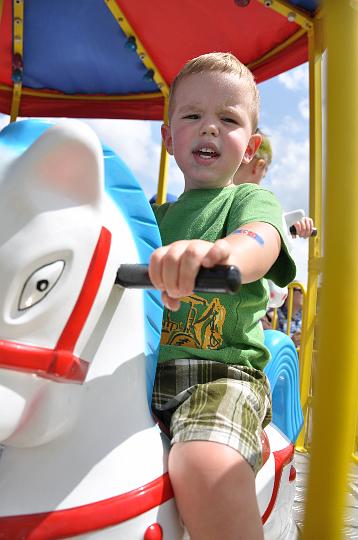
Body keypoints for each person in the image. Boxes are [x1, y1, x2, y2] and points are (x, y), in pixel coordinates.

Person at [149, 52, 296, 540]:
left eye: (227, 119)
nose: (209, 128)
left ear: (250, 146)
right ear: (169, 138)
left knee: (203, 462)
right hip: (143, 376)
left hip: (219, 376)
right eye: (192, 116)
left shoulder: (247, 200)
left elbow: (260, 239)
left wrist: (221, 254)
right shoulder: (150, 216)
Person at [233, 129, 315, 239]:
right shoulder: (257, 199)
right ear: (259, 166)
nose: (264, 177)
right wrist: (286, 224)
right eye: (265, 172)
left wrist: (288, 221)